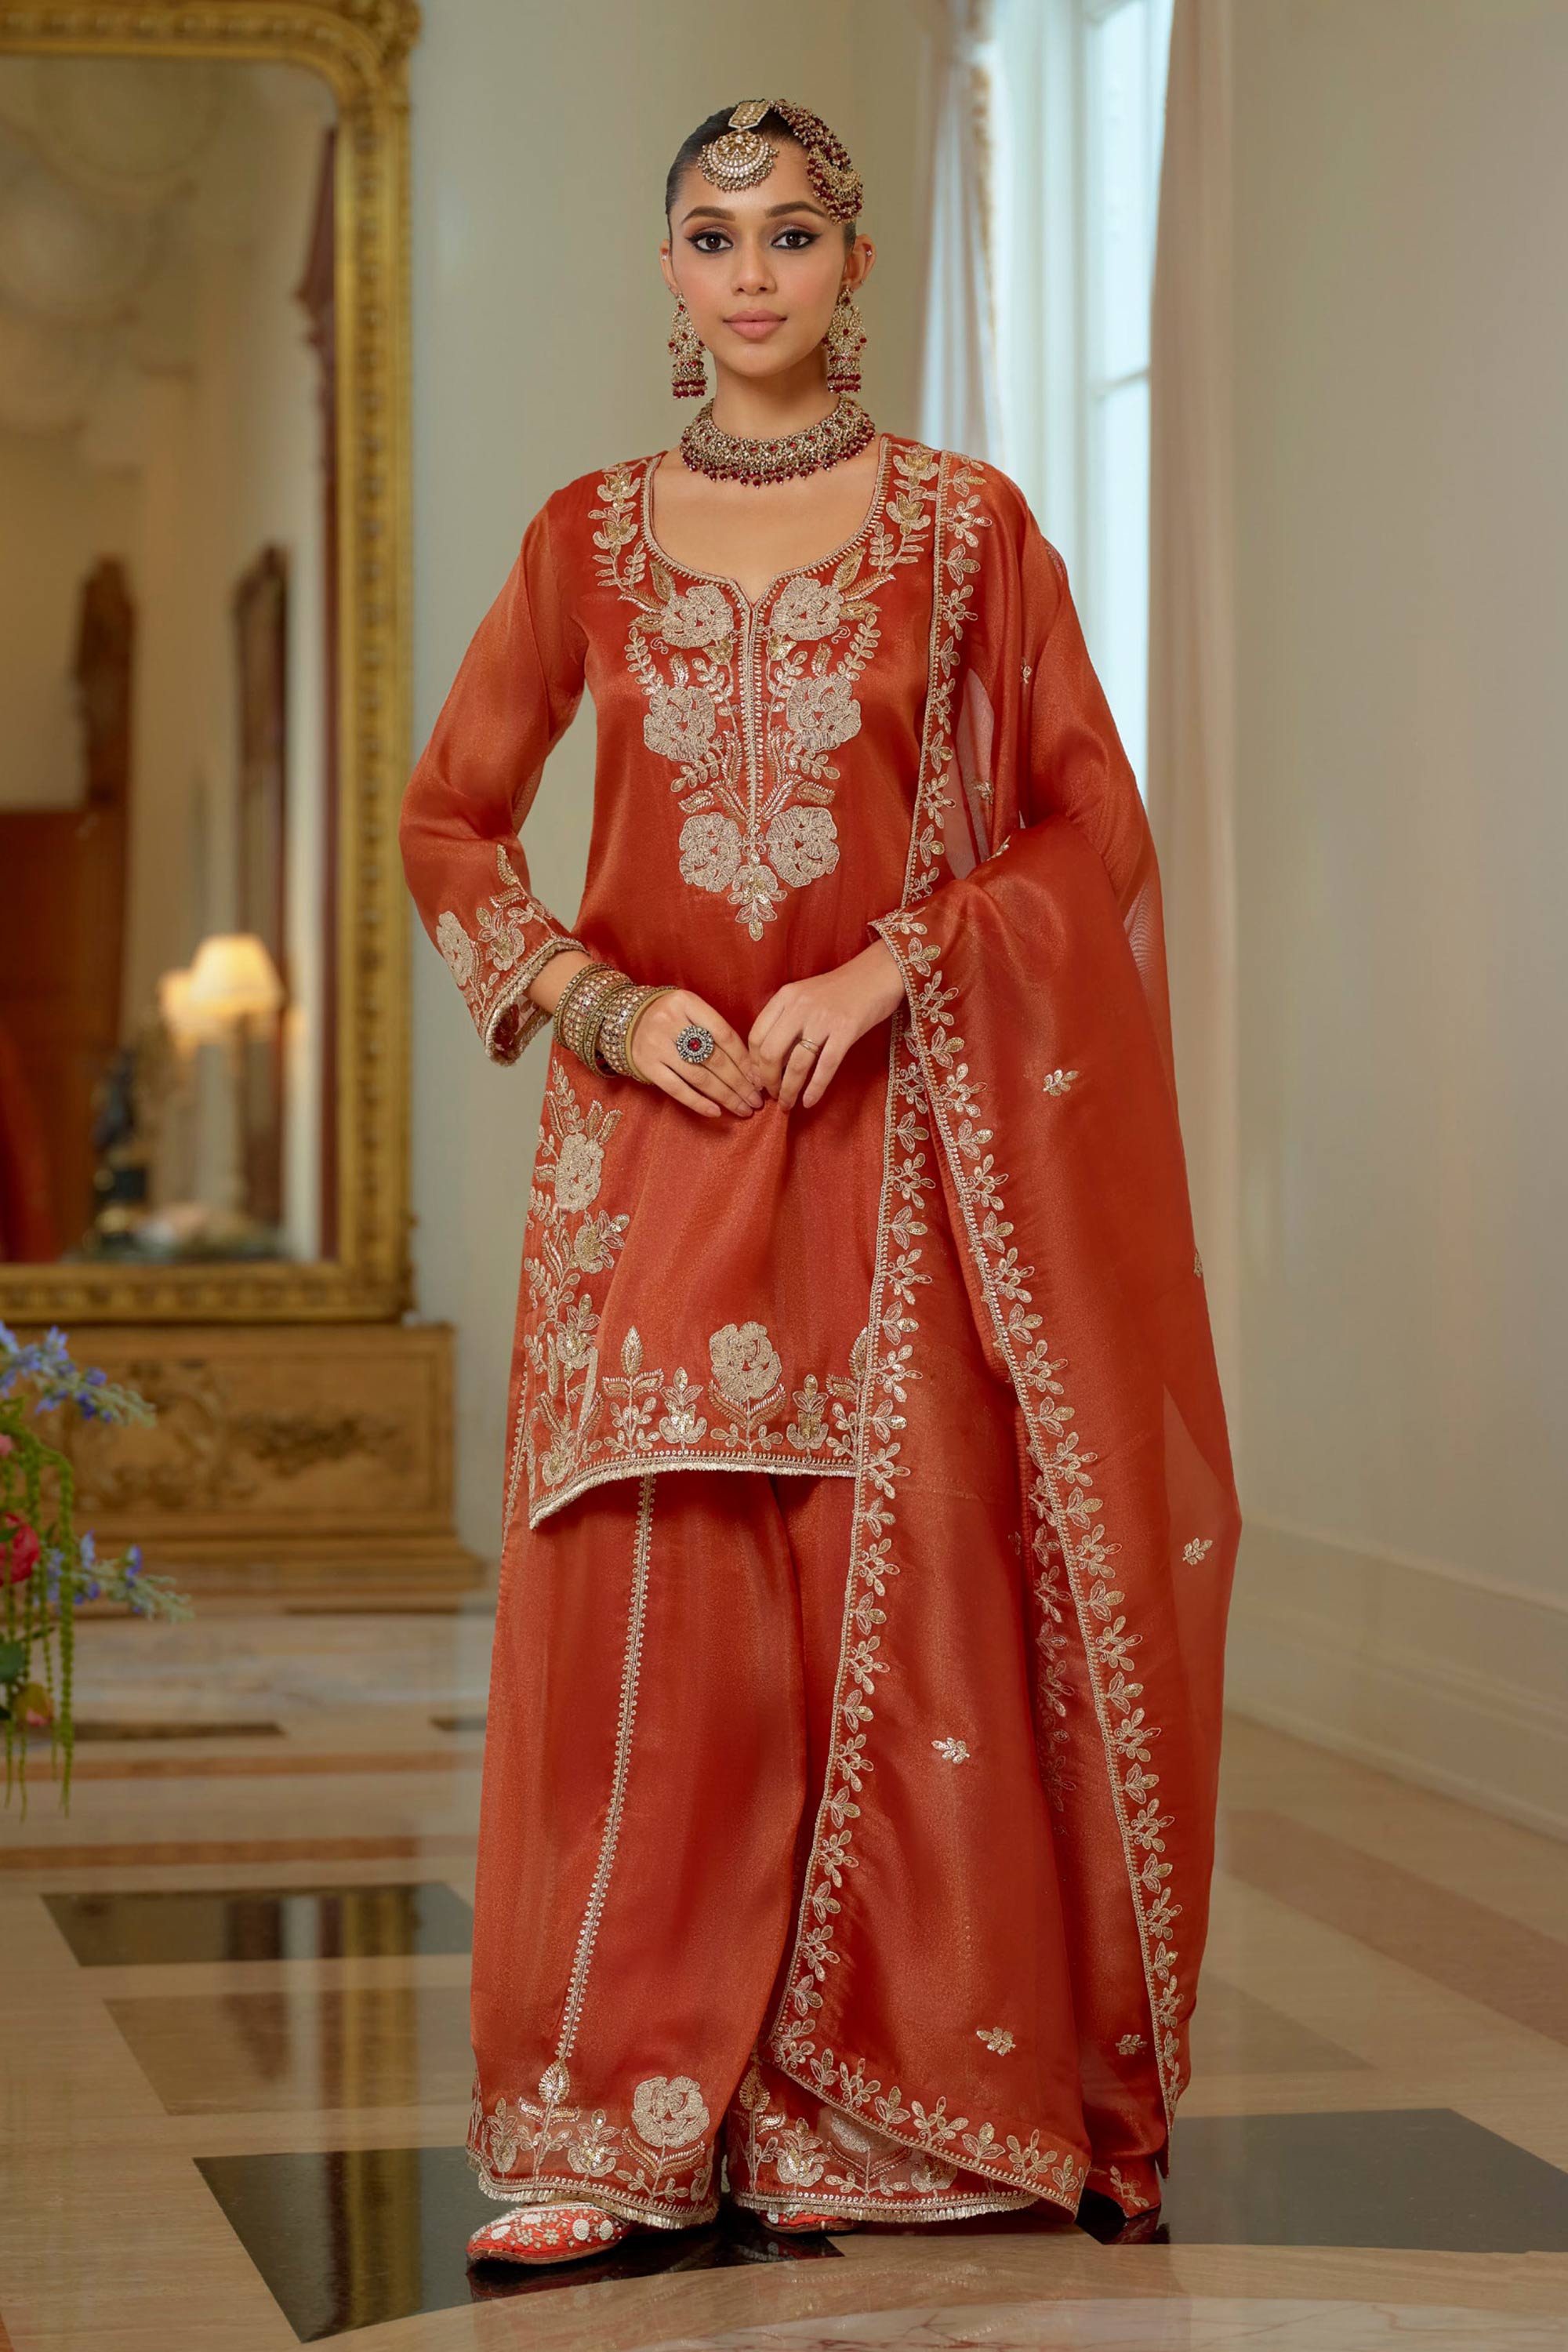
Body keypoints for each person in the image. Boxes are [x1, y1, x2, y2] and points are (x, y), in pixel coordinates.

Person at [400, 99, 1240, 2270]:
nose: (752, 271)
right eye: (713, 234)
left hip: (892, 1141)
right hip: (654, 1151)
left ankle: (875, 2101)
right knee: (649, 1615)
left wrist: (897, 964)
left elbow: (1088, 829)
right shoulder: (587, 538)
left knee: (894, 1585)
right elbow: (449, 822)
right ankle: (606, 2126)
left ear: (856, 265)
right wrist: (594, 1005)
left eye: (791, 233)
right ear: (668, 272)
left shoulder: (968, 533)